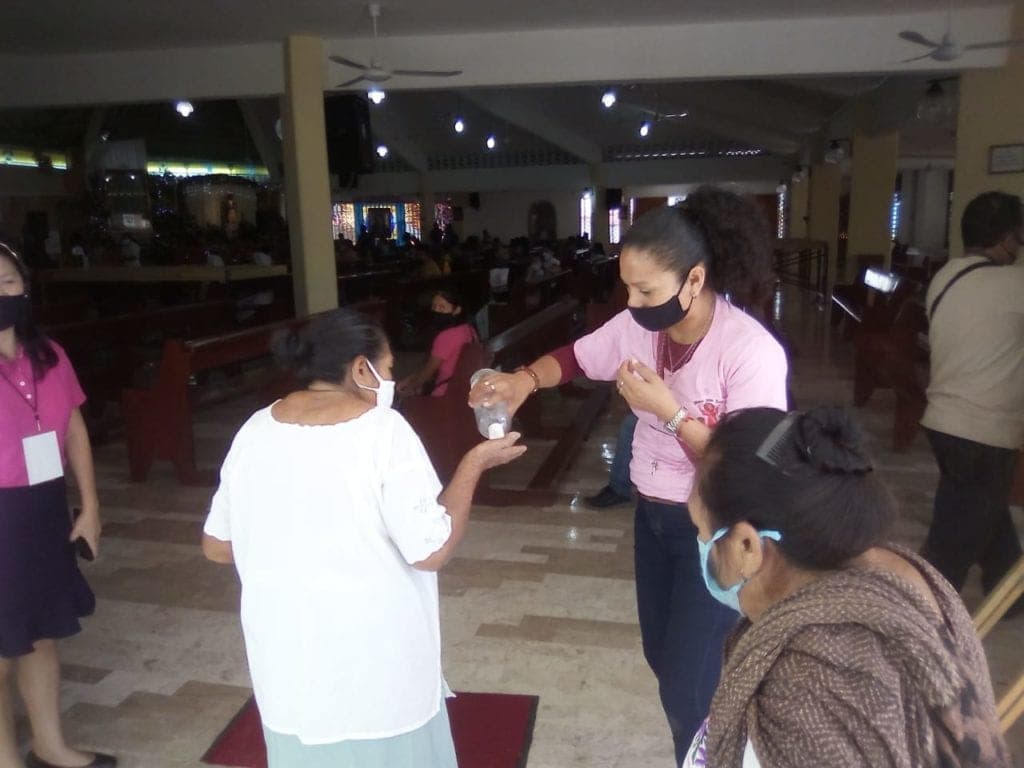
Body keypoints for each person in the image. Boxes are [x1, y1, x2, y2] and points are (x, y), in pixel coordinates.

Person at [469, 188, 788, 763]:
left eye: (647, 289)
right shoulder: (638, 327)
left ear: (695, 280)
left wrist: (669, 412)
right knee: (663, 658)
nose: (633, 302)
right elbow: (574, 357)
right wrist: (523, 382)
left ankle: (715, 752)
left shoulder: (749, 351)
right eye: (627, 287)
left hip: (716, 532)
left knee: (686, 687)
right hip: (655, 519)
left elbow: (749, 468)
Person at [201, 308, 525, 768]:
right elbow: (430, 549)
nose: (390, 380)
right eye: (388, 368)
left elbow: (217, 545)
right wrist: (473, 465)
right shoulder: (381, 432)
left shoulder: (256, 428)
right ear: (359, 367)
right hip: (374, 668)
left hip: (289, 663)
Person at [684, 406, 1009, 768]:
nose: (700, 543)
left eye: (701, 531)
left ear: (747, 545)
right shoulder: (902, 571)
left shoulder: (803, 701)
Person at [0, 244, 115, 768]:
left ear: (25, 285)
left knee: (43, 632)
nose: (2, 294)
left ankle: (50, 744)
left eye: (7, 282)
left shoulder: (49, 354)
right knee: (2, 647)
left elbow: (72, 427)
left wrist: (89, 506)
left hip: (45, 507)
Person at [920, 191, 1024, 602]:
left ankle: (1010, 593)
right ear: (1004, 238)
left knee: (985, 512)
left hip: (943, 423)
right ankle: (925, 612)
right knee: (952, 542)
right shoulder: (1013, 284)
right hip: (985, 431)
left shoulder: (947, 275)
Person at [398, 289, 478, 398]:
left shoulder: (446, 336)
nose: (436, 311)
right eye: (434, 306)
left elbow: (427, 373)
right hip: (466, 386)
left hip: (446, 392)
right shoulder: (468, 329)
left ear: (457, 310)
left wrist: (409, 387)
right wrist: (412, 378)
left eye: (442, 307)